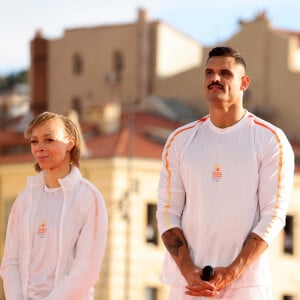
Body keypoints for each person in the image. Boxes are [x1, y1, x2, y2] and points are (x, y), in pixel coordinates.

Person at [156, 47, 295, 299]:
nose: (215, 78)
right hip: (188, 285)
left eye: (224, 73)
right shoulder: (180, 140)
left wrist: (232, 271)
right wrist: (188, 271)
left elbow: (273, 216)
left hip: (246, 287)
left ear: (244, 83)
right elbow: (167, 212)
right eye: (209, 72)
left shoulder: (270, 139)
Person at [0, 111, 108, 300]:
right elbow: (10, 262)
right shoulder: (24, 199)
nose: (39, 148)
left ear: (70, 143)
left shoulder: (89, 199)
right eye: (34, 141)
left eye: (49, 140)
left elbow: (85, 270)